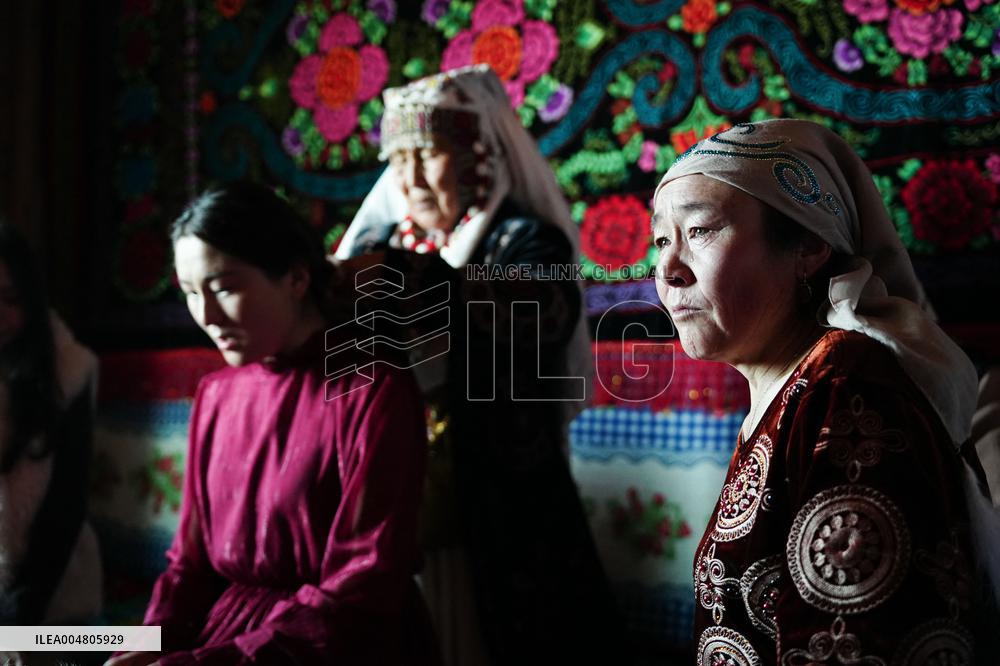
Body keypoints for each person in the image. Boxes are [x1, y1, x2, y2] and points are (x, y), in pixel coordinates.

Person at [651, 119, 996, 664]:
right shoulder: (797, 388)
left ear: (808, 245)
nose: (668, 270)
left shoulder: (847, 389)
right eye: (662, 240)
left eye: (699, 231)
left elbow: (849, 643)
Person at [334, 65, 624, 665]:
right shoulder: (379, 244)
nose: (409, 177)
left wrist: (425, 284)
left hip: (503, 502)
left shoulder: (521, 239)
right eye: (399, 158)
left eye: (430, 154)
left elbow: (544, 308)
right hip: (397, 489)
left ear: (476, 158)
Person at [107, 183, 438, 666]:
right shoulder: (218, 395)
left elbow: (361, 590)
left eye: (224, 287)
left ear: (296, 278)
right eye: (193, 293)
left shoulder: (370, 391)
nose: (207, 315)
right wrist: (143, 649)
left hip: (329, 647)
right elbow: (190, 569)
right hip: (226, 641)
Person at [0, 223, 102, 664]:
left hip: (59, 608)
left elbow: (64, 511)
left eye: (10, 299)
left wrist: (15, 628)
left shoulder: (70, 373)